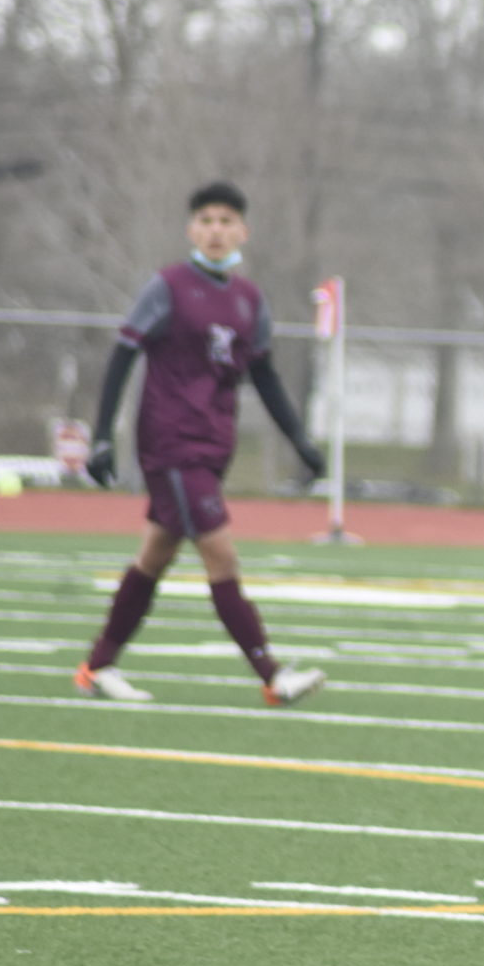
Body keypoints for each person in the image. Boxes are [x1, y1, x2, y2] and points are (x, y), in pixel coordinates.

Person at [75, 181, 328, 707]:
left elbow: (265, 376)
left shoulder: (249, 299)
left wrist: (301, 440)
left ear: (243, 230)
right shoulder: (167, 286)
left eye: (226, 220)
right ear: (192, 228)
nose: (216, 230)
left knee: (154, 557)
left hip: (214, 446)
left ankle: (97, 666)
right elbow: (123, 355)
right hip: (171, 444)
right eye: (206, 220)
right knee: (220, 552)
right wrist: (101, 436)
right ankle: (272, 674)